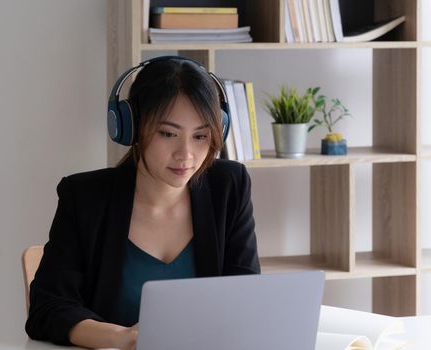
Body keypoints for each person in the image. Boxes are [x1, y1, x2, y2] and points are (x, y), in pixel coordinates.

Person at [25, 56, 260, 349]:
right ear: (131, 127)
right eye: (168, 133)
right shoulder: (84, 198)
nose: (186, 154)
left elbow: (247, 297)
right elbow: (47, 310)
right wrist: (122, 338)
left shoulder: (229, 186)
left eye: (200, 136)